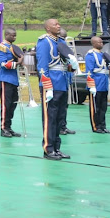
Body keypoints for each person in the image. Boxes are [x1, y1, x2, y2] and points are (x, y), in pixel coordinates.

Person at [36, 19, 71, 161]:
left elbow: (66, 63)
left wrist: (72, 65)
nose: (59, 26)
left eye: (59, 24)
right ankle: (48, 149)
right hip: (51, 84)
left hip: (62, 82)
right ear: (48, 28)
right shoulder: (44, 42)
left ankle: (57, 147)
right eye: (55, 24)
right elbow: (42, 66)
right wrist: (48, 87)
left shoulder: (61, 41)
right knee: (50, 118)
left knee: (59, 117)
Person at [0, 27, 22, 136]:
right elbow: (3, 64)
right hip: (5, 79)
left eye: (15, 35)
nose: (14, 37)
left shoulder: (13, 47)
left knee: (13, 104)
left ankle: (9, 126)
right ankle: (3, 128)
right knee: (6, 105)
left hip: (13, 79)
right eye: (12, 35)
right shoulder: (2, 47)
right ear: (6, 34)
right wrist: (18, 63)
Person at [85, 36, 110, 134]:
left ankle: (103, 125)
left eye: (101, 42)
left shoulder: (103, 55)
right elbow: (89, 72)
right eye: (99, 42)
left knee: (103, 107)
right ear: (94, 43)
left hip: (104, 84)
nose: (101, 44)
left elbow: (106, 69)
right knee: (95, 108)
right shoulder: (90, 55)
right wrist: (91, 85)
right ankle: (96, 126)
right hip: (96, 84)